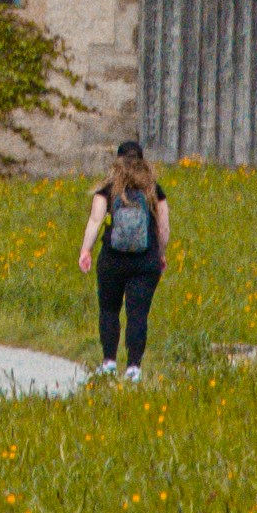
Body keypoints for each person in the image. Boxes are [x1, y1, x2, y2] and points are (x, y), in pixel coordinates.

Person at [78, 140, 170, 378]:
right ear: (143, 161)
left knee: (109, 310)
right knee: (137, 314)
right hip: (145, 261)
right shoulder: (153, 190)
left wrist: (85, 251)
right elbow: (164, 228)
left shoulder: (108, 189)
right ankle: (133, 368)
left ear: (117, 161)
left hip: (112, 260)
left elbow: (95, 221)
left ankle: (109, 361)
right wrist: (160, 255)